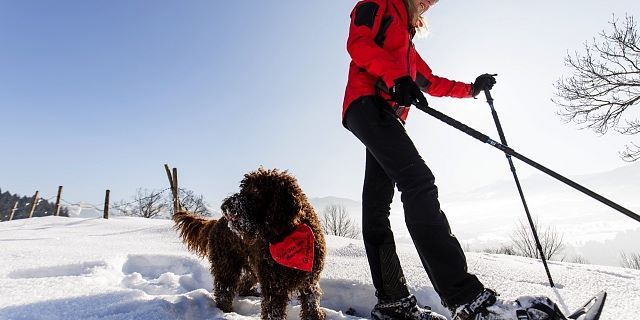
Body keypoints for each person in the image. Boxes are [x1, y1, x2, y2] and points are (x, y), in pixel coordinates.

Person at [342, 0, 561, 319]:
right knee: (418, 181)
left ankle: (392, 303)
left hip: (385, 113)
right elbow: (358, 44)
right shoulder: (378, 4)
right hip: (366, 104)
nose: (429, 3)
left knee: (377, 208)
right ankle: (466, 298)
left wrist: (472, 89)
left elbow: (431, 82)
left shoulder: (407, 43)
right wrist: (395, 77)